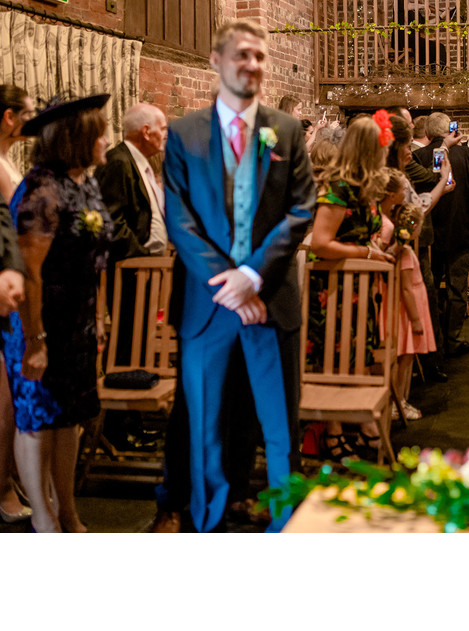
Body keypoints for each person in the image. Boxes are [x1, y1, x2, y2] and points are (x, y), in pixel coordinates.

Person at [163, 20, 315, 533]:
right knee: (205, 427)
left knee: (279, 428)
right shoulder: (183, 134)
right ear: (216, 61)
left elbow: (302, 209)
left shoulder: (286, 131)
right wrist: (230, 285)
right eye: (242, 55)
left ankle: (284, 525)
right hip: (208, 307)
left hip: (270, 300)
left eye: (260, 57)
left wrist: (252, 275)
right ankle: (207, 525)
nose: (252, 65)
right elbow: (179, 220)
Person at [4, 93, 113, 532]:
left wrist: (100, 317)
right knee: (37, 417)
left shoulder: (83, 182)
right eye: (99, 133)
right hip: (40, 322)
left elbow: (98, 256)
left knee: (69, 419)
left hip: (78, 322)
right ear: (76, 137)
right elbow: (28, 271)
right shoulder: (41, 189)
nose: (106, 140)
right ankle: (45, 522)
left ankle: (68, 509)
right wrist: (35, 340)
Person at [308, 113, 395, 460]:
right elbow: (320, 242)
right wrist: (366, 253)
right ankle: (333, 430)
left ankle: (357, 420)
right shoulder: (337, 188)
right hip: (332, 284)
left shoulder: (364, 186)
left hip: (359, 283)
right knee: (334, 357)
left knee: (358, 356)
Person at [93, 102, 168, 452]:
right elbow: (112, 220)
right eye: (162, 127)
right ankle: (119, 428)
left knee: (138, 345)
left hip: (147, 265)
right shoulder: (119, 162)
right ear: (145, 132)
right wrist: (139, 255)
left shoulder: (141, 162)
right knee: (126, 345)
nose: (165, 134)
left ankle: (135, 422)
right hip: (129, 268)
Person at [387, 114, 452, 382]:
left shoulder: (383, 173)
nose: (411, 154)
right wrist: (443, 180)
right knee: (418, 300)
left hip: (391, 251)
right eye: (405, 148)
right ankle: (423, 365)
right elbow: (417, 211)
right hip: (395, 252)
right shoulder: (395, 178)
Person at [413, 112, 469, 356]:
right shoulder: (468, 156)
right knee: (456, 286)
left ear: (428, 133)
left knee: (429, 286)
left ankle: (432, 339)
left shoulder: (418, 156)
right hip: (460, 229)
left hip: (429, 232)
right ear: (450, 131)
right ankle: (453, 339)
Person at [0, 85, 31, 524]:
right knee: (4, 395)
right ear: (9, 117)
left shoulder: (9, 159)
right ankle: (3, 487)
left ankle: (11, 477)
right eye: (27, 113)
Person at [392, 202, 435, 421]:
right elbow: (407, 288)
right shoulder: (406, 254)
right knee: (405, 358)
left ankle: (401, 400)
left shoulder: (406, 251)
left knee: (408, 357)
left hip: (411, 312)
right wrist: (416, 319)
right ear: (413, 226)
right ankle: (398, 402)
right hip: (408, 314)